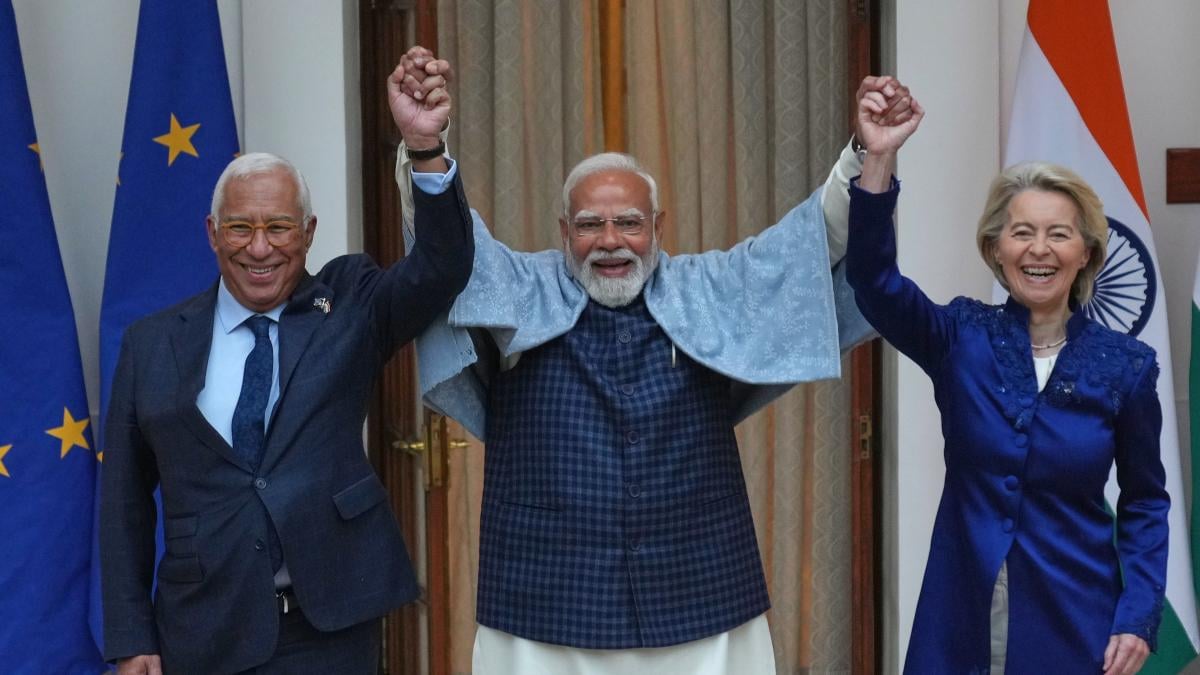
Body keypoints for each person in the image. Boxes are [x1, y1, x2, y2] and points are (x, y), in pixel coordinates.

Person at [393, 47, 912, 673]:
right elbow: (448, 249)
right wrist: (426, 147)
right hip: (546, 592)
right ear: (563, 231)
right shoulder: (520, 286)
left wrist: (866, 154)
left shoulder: (710, 286)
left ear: (659, 227)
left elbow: (812, 240)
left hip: (698, 587)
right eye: (590, 225)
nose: (610, 241)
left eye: (629, 223)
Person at [99, 59, 472, 674]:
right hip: (204, 627)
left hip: (328, 626)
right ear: (212, 233)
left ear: (309, 232)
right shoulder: (153, 344)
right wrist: (132, 637)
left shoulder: (349, 305)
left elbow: (442, 266)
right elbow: (124, 504)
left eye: (279, 227)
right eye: (240, 228)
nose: (260, 247)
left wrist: (425, 148)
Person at [846, 87, 1168, 674]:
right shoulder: (959, 337)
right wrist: (879, 157)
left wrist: (1138, 613)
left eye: (1059, 234)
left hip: (1075, 618)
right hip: (959, 616)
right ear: (996, 249)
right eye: (1021, 232)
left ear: (1086, 253)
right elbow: (874, 282)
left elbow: (1145, 500)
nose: (1038, 249)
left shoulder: (1127, 366)